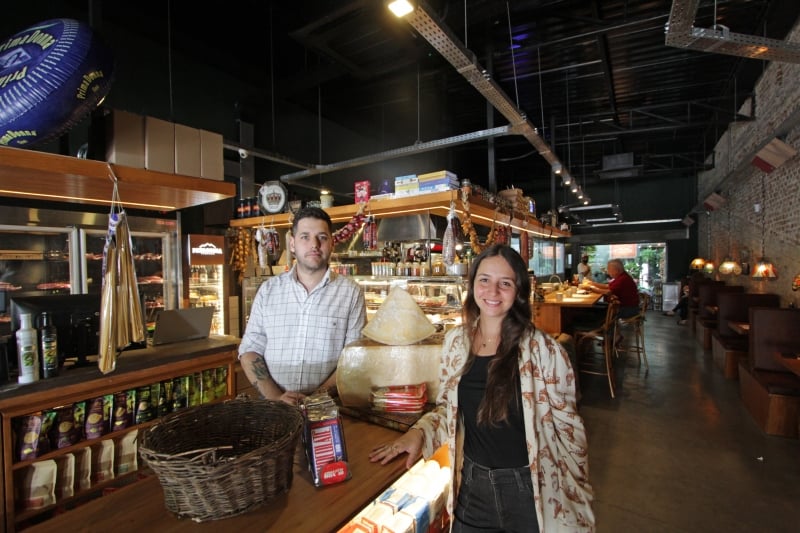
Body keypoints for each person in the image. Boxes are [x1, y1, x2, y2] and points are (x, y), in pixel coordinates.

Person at [369, 244, 595, 532]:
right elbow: (450, 409)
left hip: (531, 488)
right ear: (473, 284)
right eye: (484, 280)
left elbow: (570, 433)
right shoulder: (455, 343)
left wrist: (576, 495)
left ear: (519, 291)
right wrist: (419, 432)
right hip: (473, 488)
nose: (493, 291)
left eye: (505, 283)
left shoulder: (545, 351)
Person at [238, 207, 366, 406]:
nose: (314, 244)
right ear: (292, 243)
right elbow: (250, 350)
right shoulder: (268, 290)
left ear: (331, 243)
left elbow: (354, 358)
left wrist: (315, 398)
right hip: (274, 408)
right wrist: (276, 398)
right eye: (305, 237)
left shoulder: (351, 293)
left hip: (327, 407)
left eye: (322, 237)